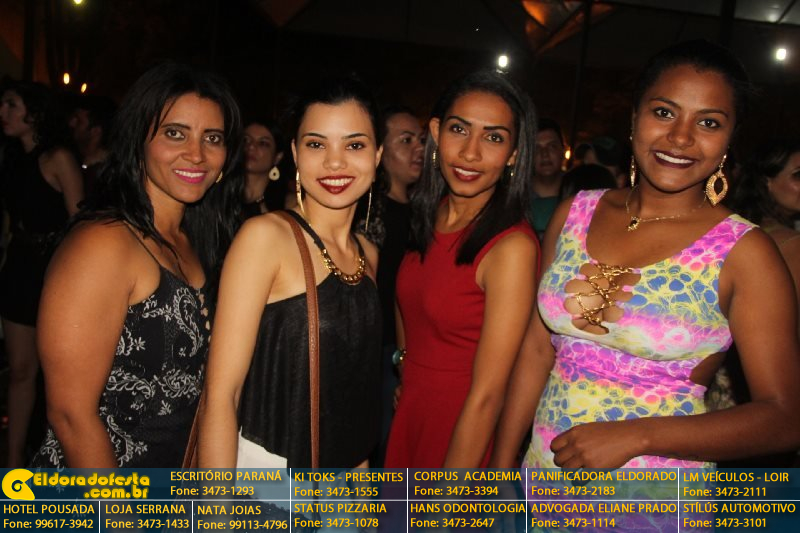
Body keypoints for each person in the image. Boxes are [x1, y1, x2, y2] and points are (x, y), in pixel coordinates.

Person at [491, 40, 800, 471]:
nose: (681, 137)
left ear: (729, 140)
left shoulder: (744, 252)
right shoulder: (575, 212)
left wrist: (639, 435)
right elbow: (538, 349)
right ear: (635, 117)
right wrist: (502, 466)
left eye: (708, 122)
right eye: (664, 112)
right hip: (541, 479)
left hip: (653, 494)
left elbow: (785, 417)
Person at [29, 62, 243, 468]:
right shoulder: (103, 244)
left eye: (212, 138)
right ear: (138, 140)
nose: (196, 154)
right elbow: (71, 415)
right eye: (175, 133)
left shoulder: (201, 243)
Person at [197, 76, 382, 468]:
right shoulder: (266, 238)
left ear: (377, 155)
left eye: (354, 145)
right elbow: (221, 395)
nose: (335, 162)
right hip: (270, 484)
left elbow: (353, 394)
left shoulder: (368, 255)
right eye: (316, 144)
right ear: (296, 153)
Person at [384, 71, 539, 468]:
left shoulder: (511, 247)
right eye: (459, 129)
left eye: (494, 137)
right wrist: (406, 365)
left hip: (462, 430)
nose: (470, 153)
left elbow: (489, 394)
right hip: (412, 409)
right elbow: (409, 300)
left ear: (515, 153)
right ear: (436, 133)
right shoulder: (431, 214)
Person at [0, 81, 84, 467]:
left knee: (56, 373)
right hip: (19, 266)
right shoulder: (12, 156)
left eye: (11, 104)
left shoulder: (58, 157)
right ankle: (13, 458)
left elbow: (81, 223)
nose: (3, 112)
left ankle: (57, 455)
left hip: (53, 270)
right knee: (20, 369)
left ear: (34, 113)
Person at [353, 105, 424, 466]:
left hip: (411, 349)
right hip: (374, 352)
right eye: (406, 140)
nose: (419, 149)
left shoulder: (428, 211)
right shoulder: (366, 210)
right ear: (380, 151)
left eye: (421, 140)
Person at [68, 94, 117, 195]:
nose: (71, 123)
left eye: (79, 121)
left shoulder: (107, 178)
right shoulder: (74, 160)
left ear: (96, 131)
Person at [241, 118, 286, 218]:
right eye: (245, 140)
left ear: (277, 157)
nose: (251, 147)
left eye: (263, 143)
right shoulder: (219, 197)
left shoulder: (287, 205)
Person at [530, 118, 566, 239]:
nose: (544, 154)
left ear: (563, 151)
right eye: (537, 148)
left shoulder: (578, 197)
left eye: (552, 146)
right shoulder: (515, 198)